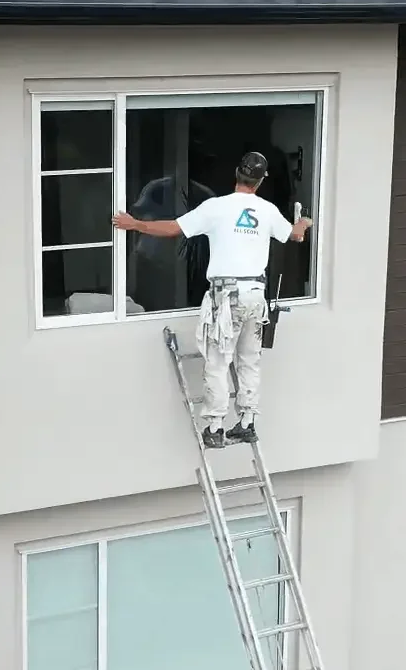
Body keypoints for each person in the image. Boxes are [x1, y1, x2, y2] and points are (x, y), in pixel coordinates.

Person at [113, 151, 312, 448]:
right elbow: (294, 236)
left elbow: (174, 228)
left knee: (218, 361)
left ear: (237, 173)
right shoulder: (267, 211)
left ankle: (216, 428)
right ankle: (246, 423)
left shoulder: (216, 208)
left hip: (227, 295)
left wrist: (135, 225)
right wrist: (305, 222)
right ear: (260, 181)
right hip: (256, 296)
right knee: (249, 361)